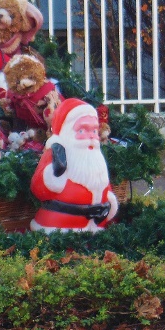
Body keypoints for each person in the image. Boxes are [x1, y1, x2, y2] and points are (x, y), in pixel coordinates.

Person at [29, 98, 118, 233]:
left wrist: (109, 200)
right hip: (61, 225)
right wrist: (51, 177)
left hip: (97, 225)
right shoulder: (57, 153)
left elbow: (101, 181)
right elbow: (38, 187)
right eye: (82, 131)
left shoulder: (95, 156)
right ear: (67, 132)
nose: (90, 137)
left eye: (94, 131)